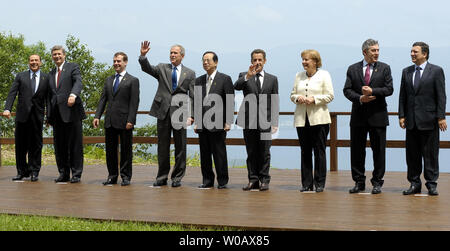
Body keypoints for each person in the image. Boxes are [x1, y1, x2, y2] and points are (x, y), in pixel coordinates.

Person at [139, 41, 195, 188]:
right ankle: (162, 177)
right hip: (162, 111)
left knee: (180, 147)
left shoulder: (190, 73)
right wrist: (143, 56)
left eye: (175, 53)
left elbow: (194, 96)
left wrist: (193, 115)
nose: (172, 55)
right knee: (162, 146)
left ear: (182, 56)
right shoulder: (162, 68)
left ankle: (177, 178)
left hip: (181, 114)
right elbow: (147, 69)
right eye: (171, 52)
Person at [343, 39, 393, 194]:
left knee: (379, 151)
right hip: (358, 116)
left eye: (378, 50)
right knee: (357, 151)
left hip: (378, 116)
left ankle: (377, 182)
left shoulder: (385, 68)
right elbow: (347, 90)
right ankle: (359, 181)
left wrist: (373, 91)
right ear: (364, 52)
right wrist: (360, 98)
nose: (376, 53)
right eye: (373, 50)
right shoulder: (353, 69)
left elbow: (389, 89)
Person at [399, 42, 447, 196]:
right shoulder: (406, 72)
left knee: (430, 154)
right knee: (412, 155)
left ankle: (431, 184)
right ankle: (414, 183)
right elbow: (403, 96)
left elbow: (441, 96)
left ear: (424, 54)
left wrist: (441, 117)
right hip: (411, 121)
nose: (412, 54)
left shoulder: (436, 71)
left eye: (415, 52)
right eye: (411, 51)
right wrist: (402, 115)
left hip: (430, 120)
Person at [234, 49, 279, 191]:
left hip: (265, 121)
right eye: (255, 60)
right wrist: (248, 75)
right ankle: (252, 180)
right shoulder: (244, 75)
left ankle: (264, 180)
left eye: (260, 60)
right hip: (248, 121)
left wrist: (275, 122)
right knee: (251, 151)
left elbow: (275, 101)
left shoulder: (272, 79)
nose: (257, 62)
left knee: (265, 151)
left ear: (265, 61)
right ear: (251, 61)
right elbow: (236, 86)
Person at [290, 50, 334, 193]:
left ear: (315, 61)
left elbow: (330, 96)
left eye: (306, 59)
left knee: (319, 151)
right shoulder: (298, 76)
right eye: (303, 59)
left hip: (319, 119)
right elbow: (292, 94)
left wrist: (314, 99)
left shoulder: (324, 75)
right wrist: (298, 98)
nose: (304, 62)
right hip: (302, 119)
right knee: (305, 151)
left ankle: (319, 183)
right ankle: (306, 183)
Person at [93, 52, 140, 186]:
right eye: (114, 61)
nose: (116, 64)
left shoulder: (133, 80)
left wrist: (131, 120)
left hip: (125, 122)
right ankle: (112, 176)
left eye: (119, 61)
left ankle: (126, 177)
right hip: (110, 121)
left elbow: (134, 102)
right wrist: (97, 116)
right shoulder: (109, 80)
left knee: (126, 151)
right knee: (110, 151)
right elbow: (103, 99)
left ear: (125, 62)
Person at [3, 54, 49, 182]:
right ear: (28, 62)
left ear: (40, 62)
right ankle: (21, 172)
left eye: (36, 60)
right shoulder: (20, 76)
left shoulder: (46, 77)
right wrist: (7, 108)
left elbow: (48, 99)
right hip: (22, 116)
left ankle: (34, 171)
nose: (34, 62)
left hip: (37, 116)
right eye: (31, 60)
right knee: (21, 145)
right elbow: (12, 92)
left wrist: (49, 117)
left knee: (36, 145)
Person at [194, 51, 234, 189]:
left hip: (219, 123)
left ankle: (222, 180)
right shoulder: (198, 80)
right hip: (203, 124)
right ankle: (207, 180)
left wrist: (228, 121)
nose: (205, 63)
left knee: (219, 153)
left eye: (208, 60)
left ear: (216, 62)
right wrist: (197, 121)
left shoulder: (225, 79)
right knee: (204, 154)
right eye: (203, 60)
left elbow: (230, 101)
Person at [47, 45, 86, 183]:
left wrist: (73, 94)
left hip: (72, 112)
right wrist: (49, 116)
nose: (56, 56)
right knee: (60, 146)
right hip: (57, 115)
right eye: (54, 54)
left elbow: (78, 82)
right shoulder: (51, 73)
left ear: (64, 55)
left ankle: (76, 174)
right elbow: (49, 96)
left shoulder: (72, 67)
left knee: (75, 145)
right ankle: (63, 173)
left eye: (59, 54)